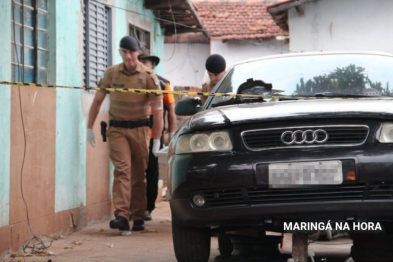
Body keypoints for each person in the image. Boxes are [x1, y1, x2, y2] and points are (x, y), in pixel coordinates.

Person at [86, 36, 163, 235]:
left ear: (138, 53)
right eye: (124, 52)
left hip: (140, 130)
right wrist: (89, 127)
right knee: (122, 170)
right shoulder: (111, 73)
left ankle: (138, 215)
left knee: (139, 174)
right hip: (117, 130)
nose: (128, 56)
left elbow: (159, 109)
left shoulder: (149, 76)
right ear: (120, 52)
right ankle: (121, 215)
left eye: (132, 52)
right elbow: (97, 101)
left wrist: (156, 139)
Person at [138, 46, 176, 220]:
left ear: (152, 64)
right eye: (140, 61)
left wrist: (172, 135)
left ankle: (148, 207)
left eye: (144, 61)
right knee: (135, 172)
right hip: (136, 135)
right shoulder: (133, 83)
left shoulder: (163, 84)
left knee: (152, 173)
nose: (142, 65)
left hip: (155, 135)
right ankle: (135, 207)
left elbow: (171, 112)